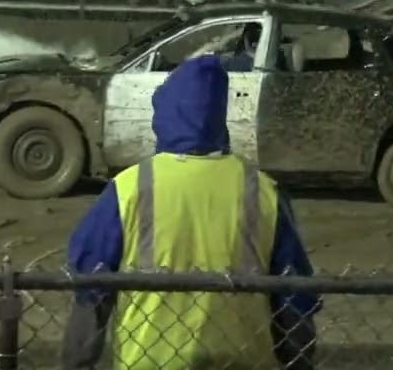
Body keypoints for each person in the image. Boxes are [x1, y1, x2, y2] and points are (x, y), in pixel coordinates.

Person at [63, 56, 319, 369]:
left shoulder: (129, 188)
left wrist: (75, 363)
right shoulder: (264, 192)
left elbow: (91, 288)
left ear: (165, 114)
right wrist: (299, 360)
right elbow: (294, 295)